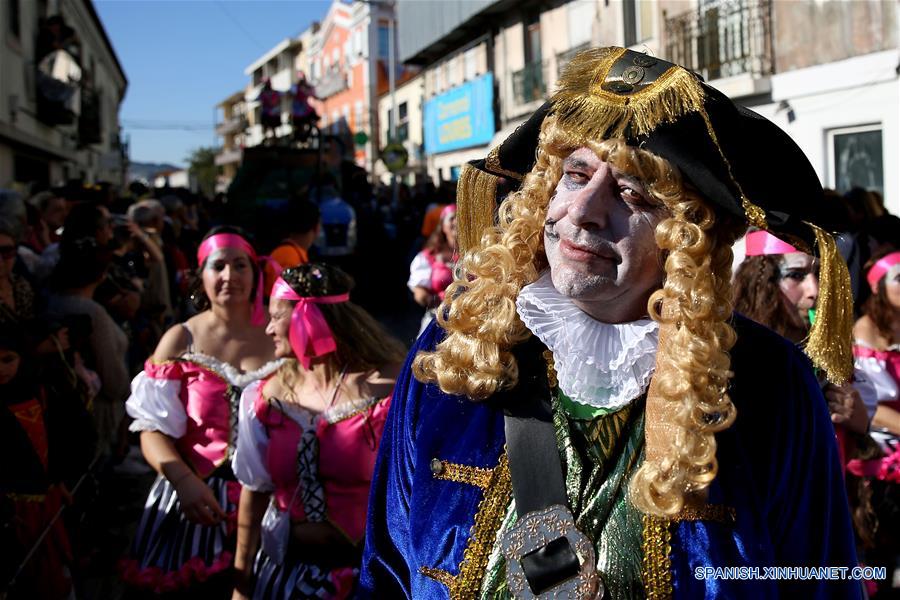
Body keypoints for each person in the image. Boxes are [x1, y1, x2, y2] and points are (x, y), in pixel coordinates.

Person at [361, 47, 860, 598]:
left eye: (631, 194)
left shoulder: (770, 383)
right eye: (575, 174)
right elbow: (385, 571)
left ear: (686, 237)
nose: (583, 210)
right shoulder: (457, 343)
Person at [120, 227, 283, 596]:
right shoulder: (181, 338)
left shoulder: (282, 334)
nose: (230, 276)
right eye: (218, 266)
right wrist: (184, 482)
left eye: (240, 265)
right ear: (201, 276)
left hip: (273, 500)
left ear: (255, 272)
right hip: (196, 501)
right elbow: (150, 429)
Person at [232, 263, 404, 599]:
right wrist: (241, 585)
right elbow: (253, 492)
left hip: (367, 577)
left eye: (276, 316)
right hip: (288, 576)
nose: (267, 329)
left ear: (305, 317)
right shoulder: (264, 396)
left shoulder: (389, 388)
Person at [733, 230, 871, 440]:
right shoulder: (736, 355)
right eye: (795, 275)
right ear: (761, 282)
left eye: (819, 274)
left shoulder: (834, 353)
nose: (814, 291)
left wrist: (859, 421)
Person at [408, 204, 457, 332]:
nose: (457, 221)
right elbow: (420, 294)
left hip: (468, 322)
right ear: (443, 226)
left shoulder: (474, 255)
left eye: (460, 218)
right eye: (452, 218)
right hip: (437, 322)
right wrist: (442, 304)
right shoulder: (429, 256)